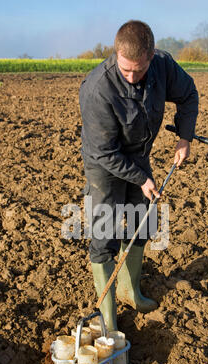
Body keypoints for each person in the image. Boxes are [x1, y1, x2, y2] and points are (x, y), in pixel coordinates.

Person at [79, 20, 199, 331]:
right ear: (115, 53)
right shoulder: (97, 89)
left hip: (138, 154)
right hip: (103, 164)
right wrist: (142, 178)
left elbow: (188, 95)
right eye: (125, 70)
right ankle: (107, 313)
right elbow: (105, 152)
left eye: (138, 71)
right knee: (104, 231)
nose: (131, 77)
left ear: (151, 55)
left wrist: (184, 136)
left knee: (141, 220)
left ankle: (130, 292)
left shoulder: (162, 66)